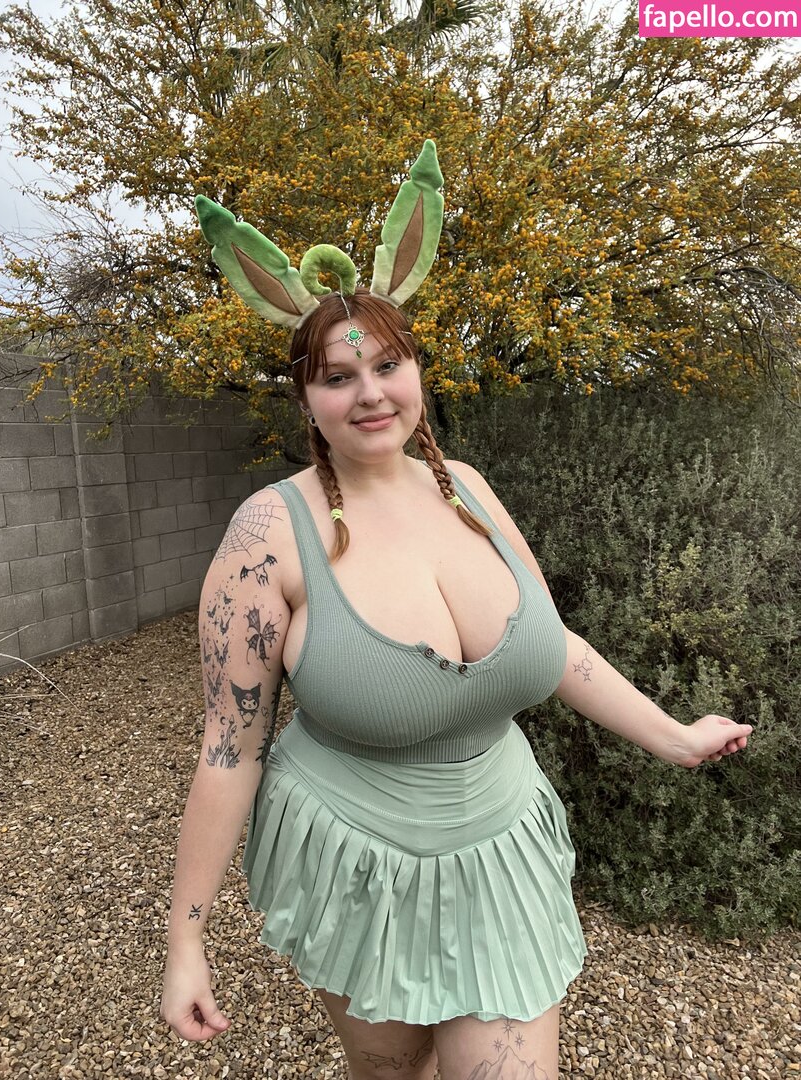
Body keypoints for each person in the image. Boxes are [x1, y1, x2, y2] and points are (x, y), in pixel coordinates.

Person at [160, 141, 754, 1079]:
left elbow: (554, 645)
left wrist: (674, 737)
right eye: (337, 376)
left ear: (416, 369)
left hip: (501, 846)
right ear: (306, 397)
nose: (370, 394)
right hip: (356, 857)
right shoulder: (267, 536)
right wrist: (185, 941)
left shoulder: (466, 488)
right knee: (389, 1071)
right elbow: (229, 749)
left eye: (388, 365)